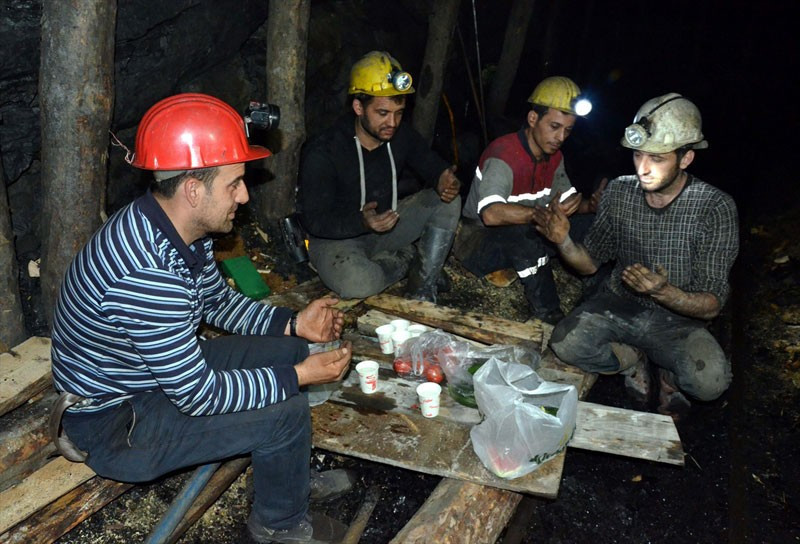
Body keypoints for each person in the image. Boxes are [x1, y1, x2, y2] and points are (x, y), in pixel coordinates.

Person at [50, 93, 355, 543]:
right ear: (193, 188)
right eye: (234, 184)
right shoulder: (148, 275)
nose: (245, 195)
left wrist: (294, 325)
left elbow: (217, 302)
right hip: (116, 424)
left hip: (153, 379)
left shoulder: (181, 232)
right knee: (287, 407)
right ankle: (278, 526)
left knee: (292, 349)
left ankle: (284, 478)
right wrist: (296, 377)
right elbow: (198, 396)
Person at [532, 93, 738, 419]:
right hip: (620, 305)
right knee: (566, 343)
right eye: (639, 155)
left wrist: (663, 292)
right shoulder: (620, 191)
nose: (643, 168)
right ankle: (631, 361)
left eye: (657, 159)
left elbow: (713, 302)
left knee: (710, 381)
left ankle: (669, 372)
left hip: (679, 322)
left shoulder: (715, 207)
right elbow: (589, 264)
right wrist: (564, 240)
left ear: (685, 159)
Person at [297, 50, 461, 302]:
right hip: (337, 240)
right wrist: (361, 222)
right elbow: (315, 220)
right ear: (358, 107)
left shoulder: (399, 135)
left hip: (388, 225)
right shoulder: (325, 151)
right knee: (357, 283)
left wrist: (441, 177)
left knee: (449, 199)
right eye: (382, 113)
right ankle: (407, 260)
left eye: (399, 112)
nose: (392, 123)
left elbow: (427, 161)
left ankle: (423, 285)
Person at [454, 76, 605, 324]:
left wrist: (592, 206)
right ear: (533, 119)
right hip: (478, 241)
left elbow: (566, 204)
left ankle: (594, 299)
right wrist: (538, 214)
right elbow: (490, 214)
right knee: (526, 234)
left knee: (593, 226)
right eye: (554, 127)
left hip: (529, 229)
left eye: (567, 130)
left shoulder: (554, 157)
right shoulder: (504, 153)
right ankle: (549, 314)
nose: (561, 137)